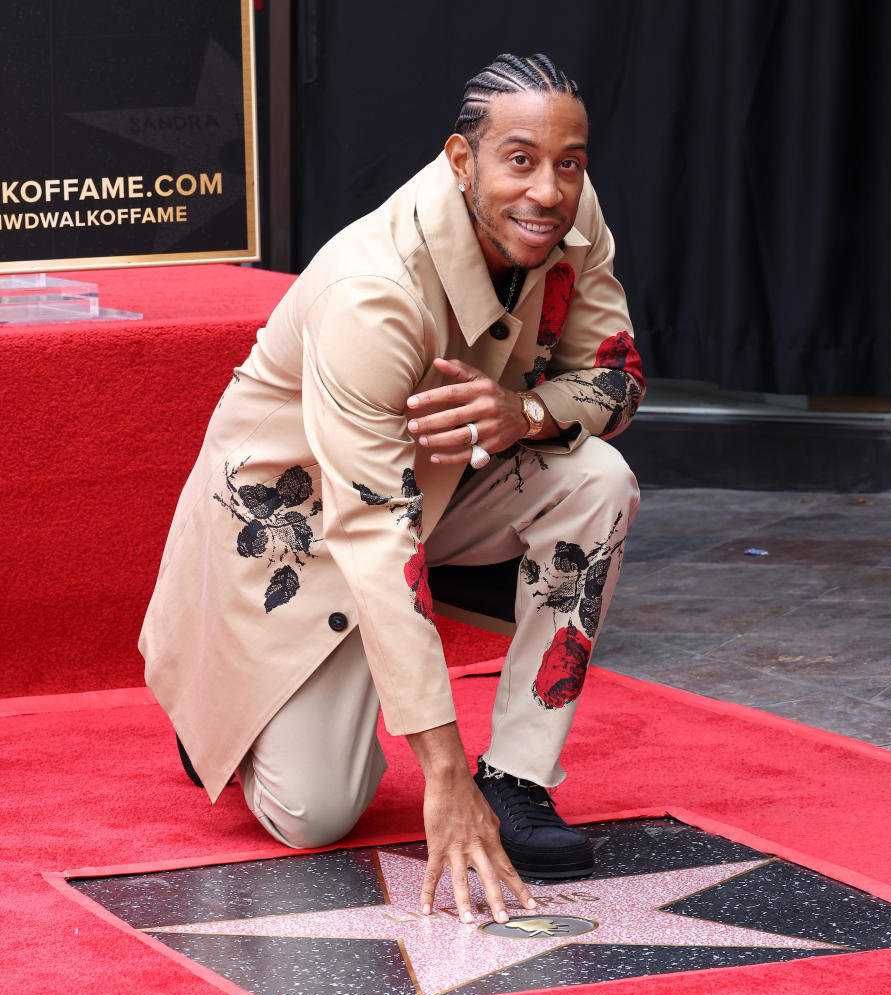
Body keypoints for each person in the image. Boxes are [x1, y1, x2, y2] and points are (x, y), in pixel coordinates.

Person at [140, 53, 644, 928]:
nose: (550, 190)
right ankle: (224, 711)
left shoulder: (573, 216)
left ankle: (519, 777)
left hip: (440, 489)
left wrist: (522, 412)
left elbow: (621, 381)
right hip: (298, 524)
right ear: (461, 161)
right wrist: (439, 773)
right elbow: (372, 530)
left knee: (598, 482)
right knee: (316, 814)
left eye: (570, 162)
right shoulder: (372, 292)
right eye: (519, 158)